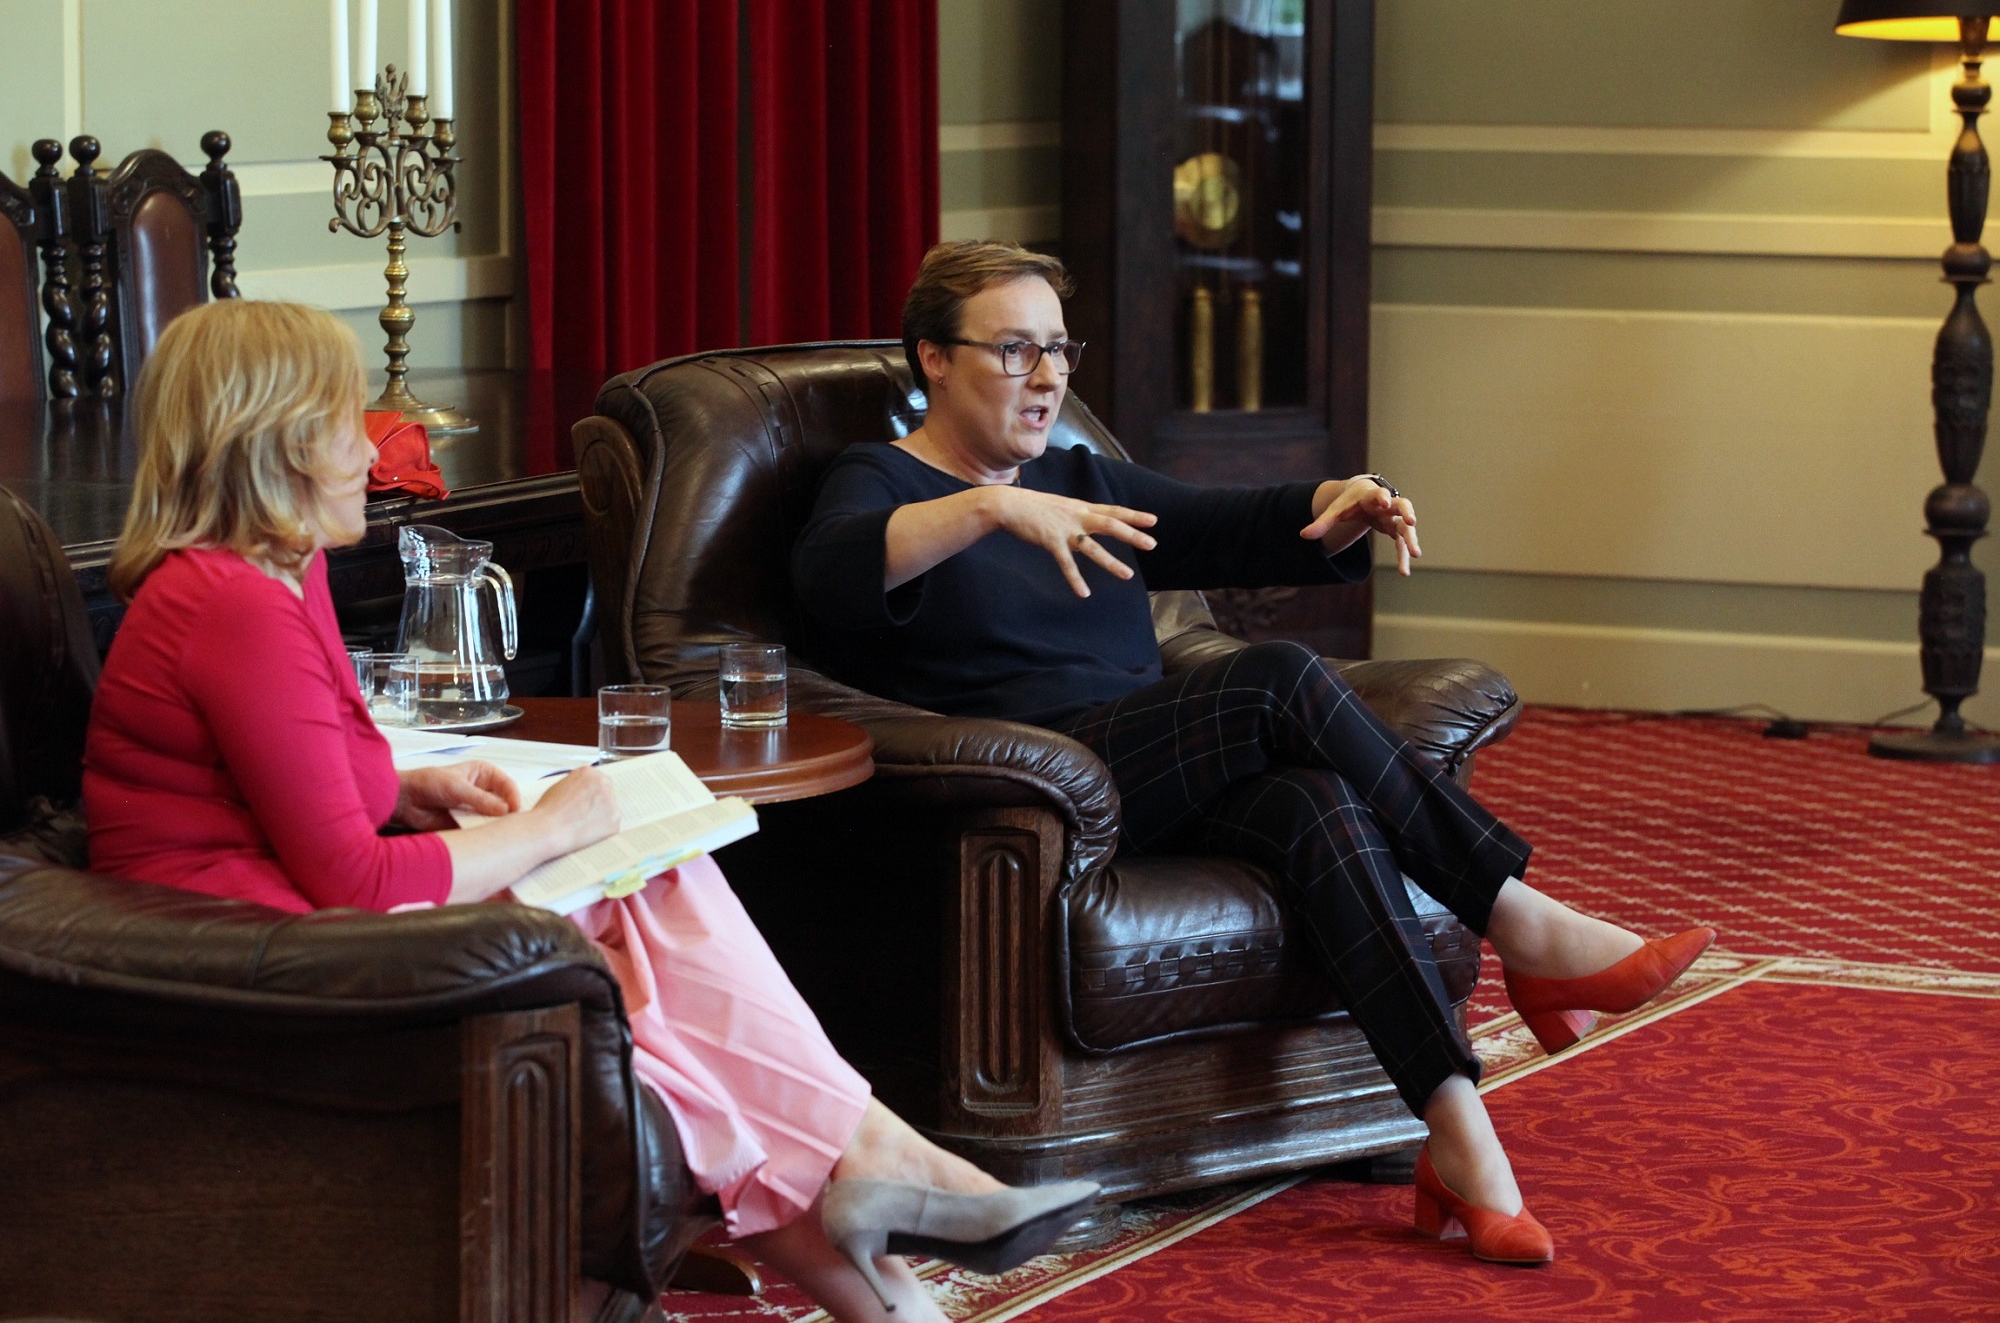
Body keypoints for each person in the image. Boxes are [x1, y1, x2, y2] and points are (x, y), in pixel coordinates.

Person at [80, 299, 1096, 1321]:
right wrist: (548, 827)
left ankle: (884, 1198)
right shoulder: (232, 603)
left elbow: (290, 767)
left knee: (657, 881)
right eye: (350, 423)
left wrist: (407, 785)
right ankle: (880, 1160)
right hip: (259, 960)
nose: (376, 450)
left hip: (297, 925)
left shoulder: (272, 572)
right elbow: (351, 875)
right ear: (285, 441)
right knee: (641, 954)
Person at [791, 240, 1716, 1266]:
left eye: (1058, 348)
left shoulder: (1081, 474)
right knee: (1273, 674)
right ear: (932, 356)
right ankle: (1516, 916)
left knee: (1317, 800)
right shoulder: (877, 478)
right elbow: (830, 575)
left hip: (1151, 766)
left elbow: (1225, 523)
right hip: (1033, 786)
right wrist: (989, 505)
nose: (1047, 376)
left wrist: (1338, 502)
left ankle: (1460, 1136)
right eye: (1015, 350)